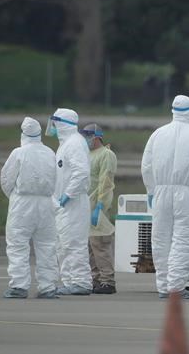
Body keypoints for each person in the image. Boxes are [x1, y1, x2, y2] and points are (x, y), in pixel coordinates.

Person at [141, 95, 189, 299]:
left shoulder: (158, 134)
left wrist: (150, 190)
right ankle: (176, 286)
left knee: (160, 239)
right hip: (187, 192)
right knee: (183, 239)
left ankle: (163, 286)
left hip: (160, 192)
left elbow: (146, 166)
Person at [0, 117, 58, 299]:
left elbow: (6, 180)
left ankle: (19, 285)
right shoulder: (50, 152)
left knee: (17, 244)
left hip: (23, 203)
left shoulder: (18, 153)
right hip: (46, 203)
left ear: (23, 134)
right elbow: (56, 178)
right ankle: (48, 286)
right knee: (47, 245)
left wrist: (15, 197)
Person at [46, 108, 93, 295]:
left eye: (55, 122)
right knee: (63, 243)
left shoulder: (74, 143)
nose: (53, 126)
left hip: (73, 202)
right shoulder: (66, 144)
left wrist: (67, 194)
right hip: (63, 204)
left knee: (74, 243)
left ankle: (81, 282)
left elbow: (81, 173)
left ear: (62, 123)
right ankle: (68, 281)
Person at [80, 123, 118, 294]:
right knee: (90, 247)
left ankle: (108, 281)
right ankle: (95, 280)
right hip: (85, 208)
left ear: (96, 137)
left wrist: (101, 205)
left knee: (101, 245)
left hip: (98, 207)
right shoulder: (86, 155)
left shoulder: (106, 155)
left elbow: (106, 181)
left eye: (88, 135)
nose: (85, 139)